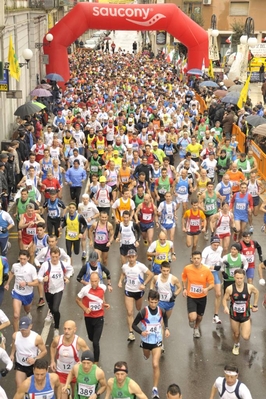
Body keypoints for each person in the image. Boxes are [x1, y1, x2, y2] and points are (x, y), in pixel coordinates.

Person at [132, 290, 170, 399]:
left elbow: (166, 318)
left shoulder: (161, 310)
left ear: (158, 301)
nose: (153, 304)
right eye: (151, 302)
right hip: (146, 341)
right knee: (146, 356)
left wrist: (166, 329)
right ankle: (145, 354)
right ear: (148, 300)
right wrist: (141, 332)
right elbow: (134, 325)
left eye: (155, 302)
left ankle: (155, 389)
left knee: (155, 364)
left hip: (157, 341)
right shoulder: (143, 312)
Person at [118, 249, 153, 342]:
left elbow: (150, 274)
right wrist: (120, 281)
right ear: (127, 257)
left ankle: (141, 322)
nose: (131, 259)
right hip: (128, 290)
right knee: (129, 312)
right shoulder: (125, 266)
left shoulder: (140, 266)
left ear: (136, 257)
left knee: (138, 308)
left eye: (133, 257)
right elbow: (123, 273)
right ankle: (131, 333)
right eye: (129, 257)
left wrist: (144, 284)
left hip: (138, 291)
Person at [38, 247, 74, 337]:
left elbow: (71, 269)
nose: (54, 259)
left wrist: (67, 277)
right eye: (53, 257)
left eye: (56, 257)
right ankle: (53, 315)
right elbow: (38, 276)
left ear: (59, 256)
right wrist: (43, 279)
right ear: (50, 255)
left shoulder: (63, 264)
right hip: (48, 290)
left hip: (59, 289)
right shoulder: (45, 265)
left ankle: (56, 328)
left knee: (55, 309)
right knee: (51, 307)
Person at [222, 269, 259, 356]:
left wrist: (255, 305)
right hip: (234, 315)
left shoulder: (249, 287)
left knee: (246, 337)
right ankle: (236, 344)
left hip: (245, 315)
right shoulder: (230, 288)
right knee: (236, 333)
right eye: (237, 278)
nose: (239, 280)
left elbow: (256, 292)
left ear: (244, 278)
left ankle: (246, 327)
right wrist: (225, 307)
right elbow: (224, 299)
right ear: (234, 277)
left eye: (241, 278)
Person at [76, 272, 110, 363]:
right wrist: (85, 308)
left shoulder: (103, 287)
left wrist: (104, 304)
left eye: (95, 281)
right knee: (91, 337)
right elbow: (77, 300)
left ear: (99, 280)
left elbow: (101, 296)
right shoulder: (85, 289)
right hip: (89, 317)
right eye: (92, 281)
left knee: (95, 342)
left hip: (99, 317)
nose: (94, 283)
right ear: (89, 281)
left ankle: (96, 362)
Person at [50, 320, 89, 399]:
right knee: (62, 396)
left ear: (75, 329)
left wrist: (82, 363)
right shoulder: (58, 340)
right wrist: (52, 361)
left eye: (69, 329)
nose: (66, 331)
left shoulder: (79, 341)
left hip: (75, 373)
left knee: (76, 396)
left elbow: (88, 355)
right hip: (61, 373)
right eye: (65, 329)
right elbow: (52, 347)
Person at [182, 251, 214, 338]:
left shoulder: (206, 270)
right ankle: (191, 319)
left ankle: (196, 327)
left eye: (198, 258)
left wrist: (207, 288)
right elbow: (184, 278)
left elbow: (212, 283)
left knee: (199, 317)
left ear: (201, 259)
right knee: (193, 317)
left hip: (202, 297)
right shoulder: (187, 268)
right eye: (194, 258)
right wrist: (184, 289)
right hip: (191, 296)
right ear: (192, 259)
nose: (196, 260)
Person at [4, 249, 38, 331]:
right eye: (21, 259)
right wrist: (7, 283)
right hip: (17, 293)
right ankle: (16, 334)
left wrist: (26, 283)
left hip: (27, 294)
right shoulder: (15, 266)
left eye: (24, 259)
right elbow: (12, 273)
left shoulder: (32, 268)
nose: (22, 261)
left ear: (28, 258)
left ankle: (28, 313)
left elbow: (36, 283)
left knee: (27, 309)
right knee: (16, 315)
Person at [10, 316, 47, 388]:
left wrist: (35, 359)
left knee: (35, 387)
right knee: (19, 387)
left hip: (32, 366)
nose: (23, 331)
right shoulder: (15, 335)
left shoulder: (37, 338)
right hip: (20, 365)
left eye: (25, 329)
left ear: (30, 326)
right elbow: (14, 343)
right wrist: (12, 354)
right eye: (21, 329)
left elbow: (44, 351)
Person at [202, 237, 223, 324]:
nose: (216, 247)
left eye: (217, 245)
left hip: (214, 273)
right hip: (204, 272)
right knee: (201, 293)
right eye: (214, 245)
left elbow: (219, 259)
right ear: (211, 244)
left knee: (218, 293)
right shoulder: (206, 251)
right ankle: (199, 313)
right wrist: (212, 267)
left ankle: (216, 315)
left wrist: (223, 265)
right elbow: (202, 263)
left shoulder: (220, 249)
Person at [78, 193, 100, 259]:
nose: (85, 200)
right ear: (82, 199)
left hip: (91, 223)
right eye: (84, 199)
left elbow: (98, 213)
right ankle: (84, 252)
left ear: (88, 199)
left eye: (86, 199)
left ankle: (94, 251)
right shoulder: (80, 205)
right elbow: (79, 213)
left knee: (91, 237)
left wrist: (92, 218)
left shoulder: (92, 205)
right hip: (83, 224)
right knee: (83, 237)